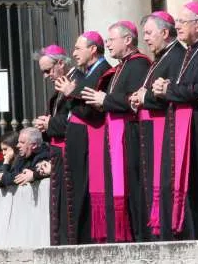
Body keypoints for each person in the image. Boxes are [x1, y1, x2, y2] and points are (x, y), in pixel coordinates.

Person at [152, 1, 198, 240]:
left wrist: (168, 90)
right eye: (178, 21)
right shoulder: (188, 51)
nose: (178, 26)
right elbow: (183, 86)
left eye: (183, 22)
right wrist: (165, 87)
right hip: (181, 125)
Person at [81, 21, 150, 243]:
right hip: (116, 134)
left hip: (129, 134)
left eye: (112, 40)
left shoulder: (139, 65)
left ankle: (136, 237)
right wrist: (103, 103)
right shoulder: (121, 66)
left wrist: (106, 100)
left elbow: (134, 99)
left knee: (132, 187)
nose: (107, 44)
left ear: (128, 40)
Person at [128, 11, 185, 241]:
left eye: (149, 33)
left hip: (165, 128)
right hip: (151, 128)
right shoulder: (162, 56)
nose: (146, 38)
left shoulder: (178, 55)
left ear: (164, 32)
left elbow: (169, 92)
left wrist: (145, 98)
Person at [55, 31, 111, 244]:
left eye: (79, 48)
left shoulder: (103, 71)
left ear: (93, 49)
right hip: (81, 142)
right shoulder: (87, 73)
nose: (74, 52)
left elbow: (91, 112)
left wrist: (71, 92)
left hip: (93, 141)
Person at [32, 44, 82, 245]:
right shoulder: (61, 85)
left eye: (47, 70)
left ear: (60, 63)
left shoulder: (76, 81)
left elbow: (77, 118)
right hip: (58, 152)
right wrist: (46, 125)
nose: (45, 76)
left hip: (71, 152)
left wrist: (50, 123)